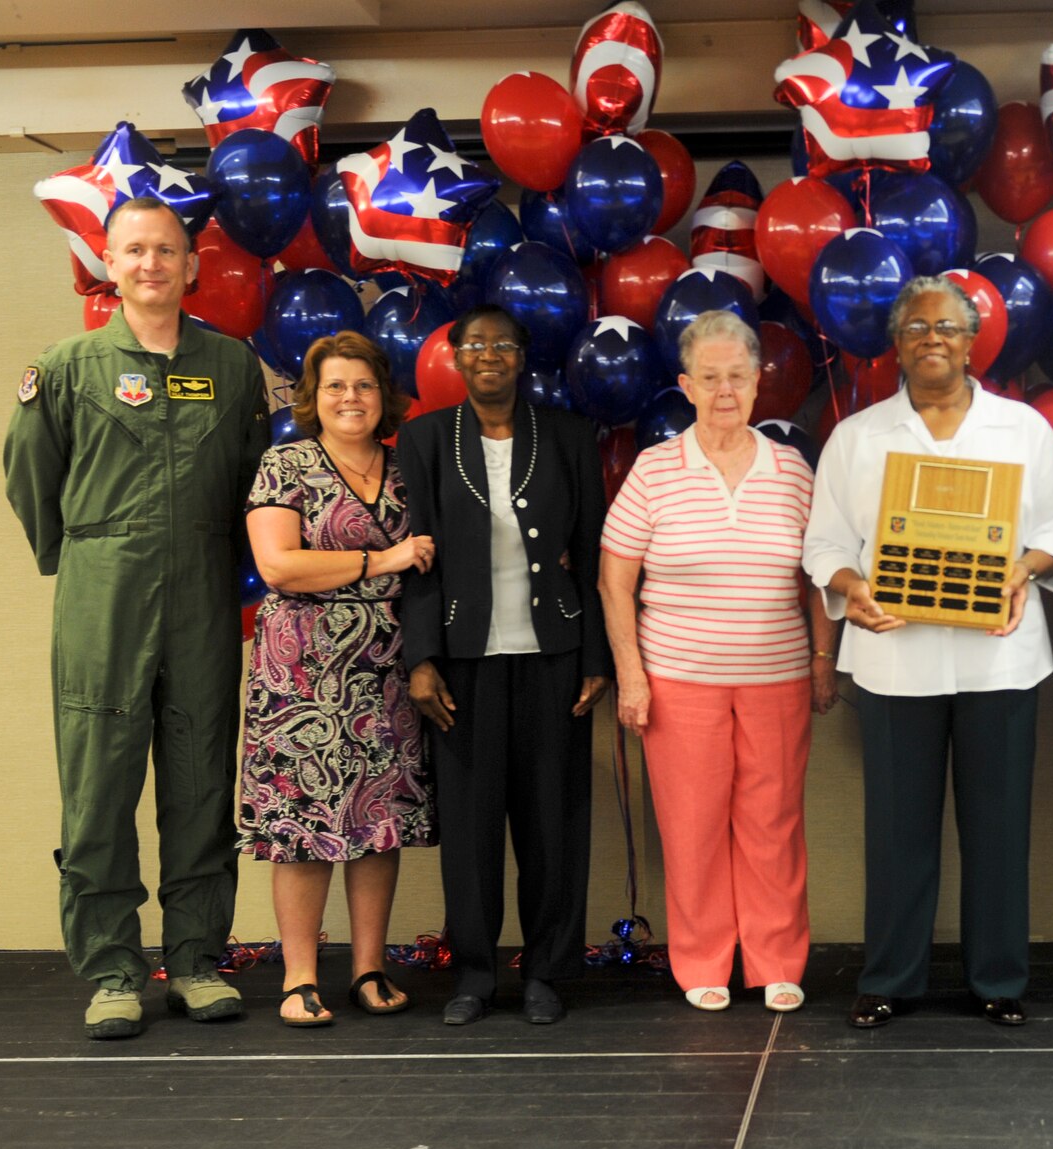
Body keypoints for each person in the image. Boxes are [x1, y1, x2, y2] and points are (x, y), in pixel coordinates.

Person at [4, 196, 268, 1040]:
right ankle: (113, 969)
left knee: (200, 782)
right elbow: (29, 476)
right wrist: (83, 558)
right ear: (107, 266)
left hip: (201, 594)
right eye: (134, 251)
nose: (150, 263)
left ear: (191, 267)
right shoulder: (67, 366)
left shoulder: (232, 367)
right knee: (99, 785)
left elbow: (254, 482)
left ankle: (195, 961)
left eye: (166, 250)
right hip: (103, 594)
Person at [803, 276, 1053, 1030]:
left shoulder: (1023, 429)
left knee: (999, 828)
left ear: (972, 341)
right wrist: (852, 587)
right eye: (917, 327)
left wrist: (1024, 569)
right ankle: (890, 976)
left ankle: (999, 979)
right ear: (896, 344)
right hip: (895, 660)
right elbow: (823, 543)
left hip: (1001, 657)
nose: (933, 339)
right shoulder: (857, 437)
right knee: (898, 833)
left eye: (948, 327)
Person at [601, 311, 836, 1014]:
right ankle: (703, 961)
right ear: (687, 386)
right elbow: (615, 581)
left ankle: (776, 961)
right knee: (692, 827)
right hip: (679, 681)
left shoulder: (792, 470)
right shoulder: (654, 470)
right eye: (710, 378)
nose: (725, 390)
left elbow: (819, 576)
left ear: (759, 383)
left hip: (778, 678)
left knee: (774, 824)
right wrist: (632, 675)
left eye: (738, 376)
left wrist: (823, 659)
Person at [401, 305, 611, 1027]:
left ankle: (547, 971)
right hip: (463, 662)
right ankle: (475, 975)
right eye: (475, 344)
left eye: (503, 344)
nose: (489, 355)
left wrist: (595, 656)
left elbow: (592, 551)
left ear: (522, 357)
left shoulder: (568, 436)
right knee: (470, 829)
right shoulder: (427, 438)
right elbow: (419, 558)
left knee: (553, 824)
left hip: (554, 656)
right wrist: (422, 657)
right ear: (456, 357)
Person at [241, 331, 436, 1027]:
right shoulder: (287, 463)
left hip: (389, 670)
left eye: (363, 385)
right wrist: (381, 561)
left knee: (378, 821)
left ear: (384, 396)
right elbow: (279, 565)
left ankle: (368, 969)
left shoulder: (408, 465)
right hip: (300, 673)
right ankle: (299, 977)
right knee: (302, 823)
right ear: (313, 398)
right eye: (335, 386)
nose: (350, 397)